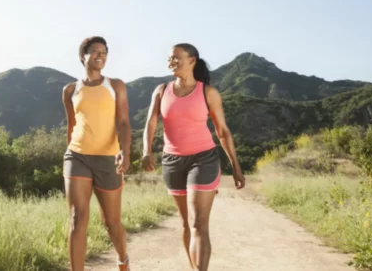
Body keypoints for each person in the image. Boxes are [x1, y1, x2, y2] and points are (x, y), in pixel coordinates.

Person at [141, 43, 246, 271]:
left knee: (198, 223)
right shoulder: (161, 90)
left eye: (177, 58)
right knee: (187, 224)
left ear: (192, 61)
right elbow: (151, 122)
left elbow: (222, 131)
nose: (172, 62)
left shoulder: (207, 92)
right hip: (172, 161)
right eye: (170, 58)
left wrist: (235, 167)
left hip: (203, 159)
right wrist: (146, 151)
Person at [62, 36, 132, 271]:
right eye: (95, 51)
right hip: (77, 156)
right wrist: (67, 155)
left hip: (109, 158)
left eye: (104, 51)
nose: (101, 55)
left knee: (111, 223)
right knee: (77, 218)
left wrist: (125, 151)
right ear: (83, 56)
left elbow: (123, 122)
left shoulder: (115, 86)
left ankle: (123, 259)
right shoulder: (71, 90)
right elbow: (71, 126)